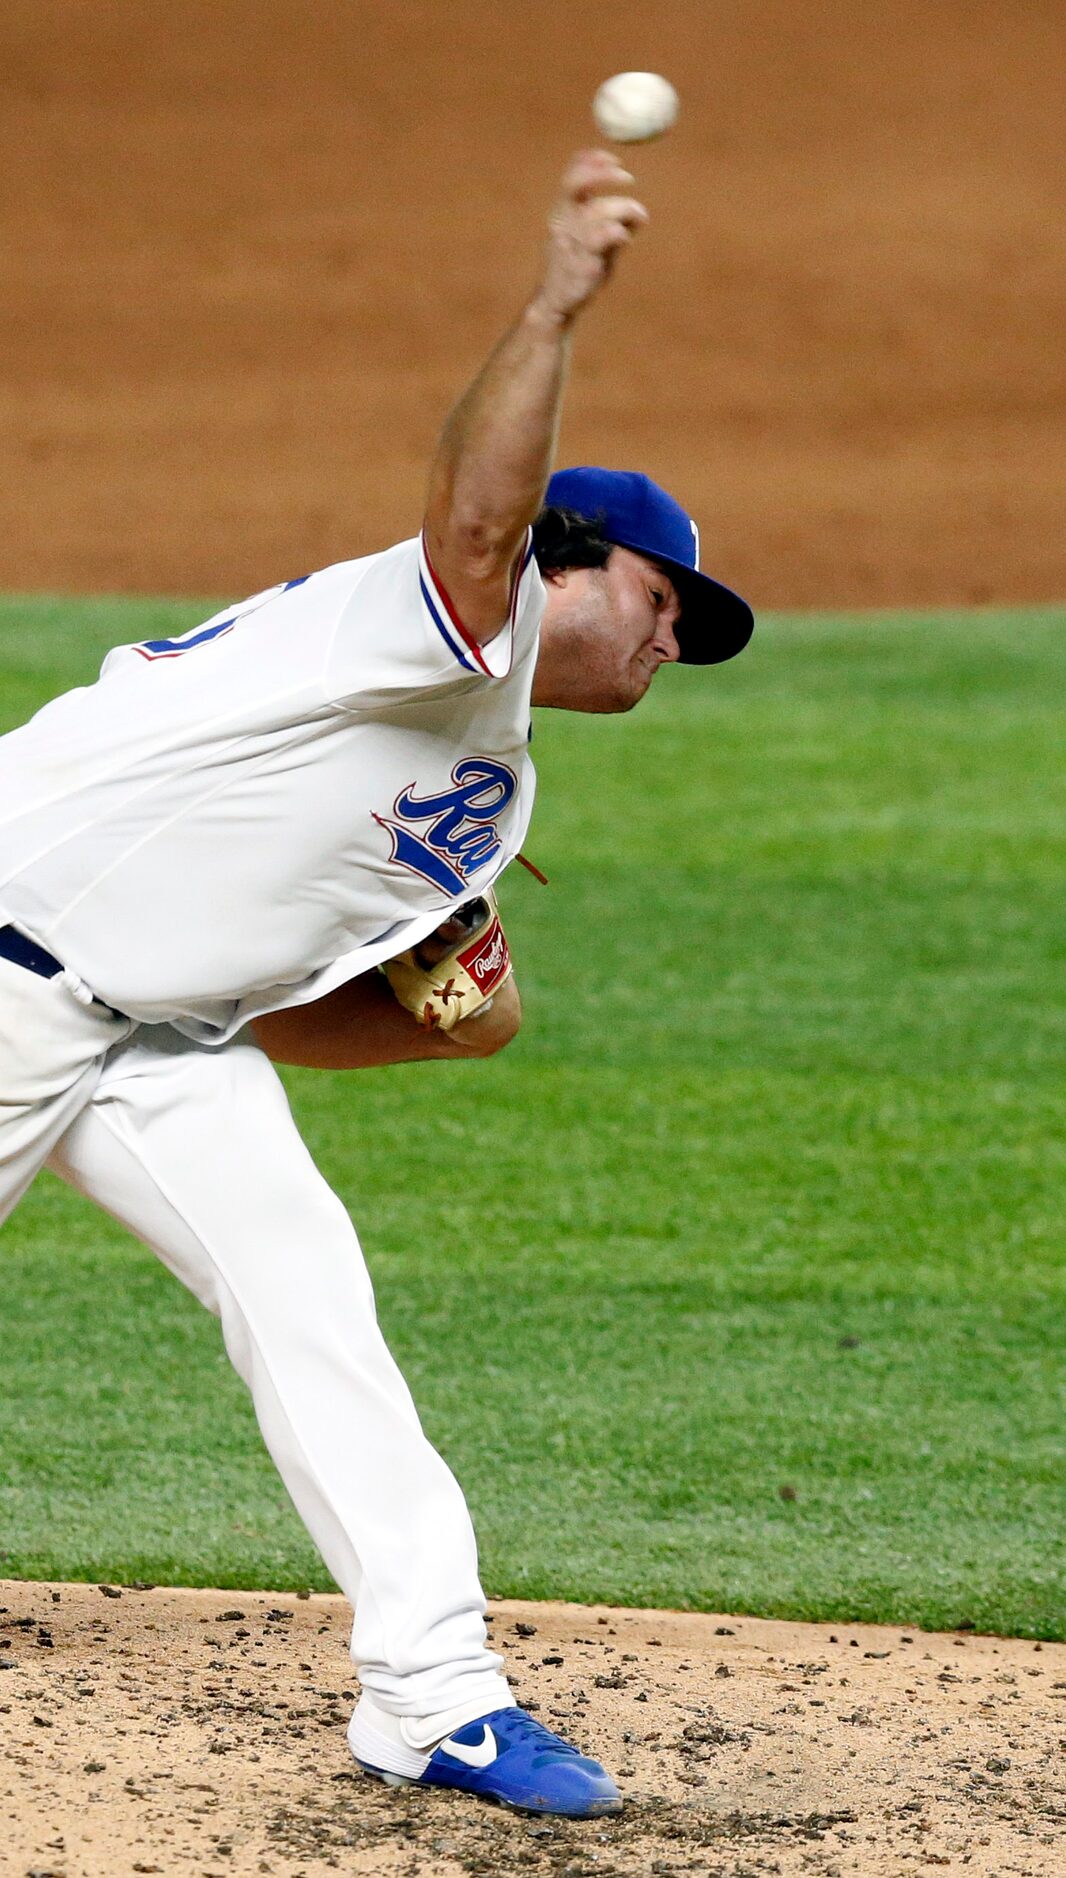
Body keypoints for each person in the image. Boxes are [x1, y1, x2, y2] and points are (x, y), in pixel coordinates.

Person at [0, 151, 753, 1818]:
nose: (669, 642)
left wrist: (455, 1018)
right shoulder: (431, 630)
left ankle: (435, 1693)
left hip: (150, 1036)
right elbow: (475, 513)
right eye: (657, 600)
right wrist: (555, 300)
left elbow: (290, 1011)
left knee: (314, 1303)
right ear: (564, 562)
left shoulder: (487, 779)